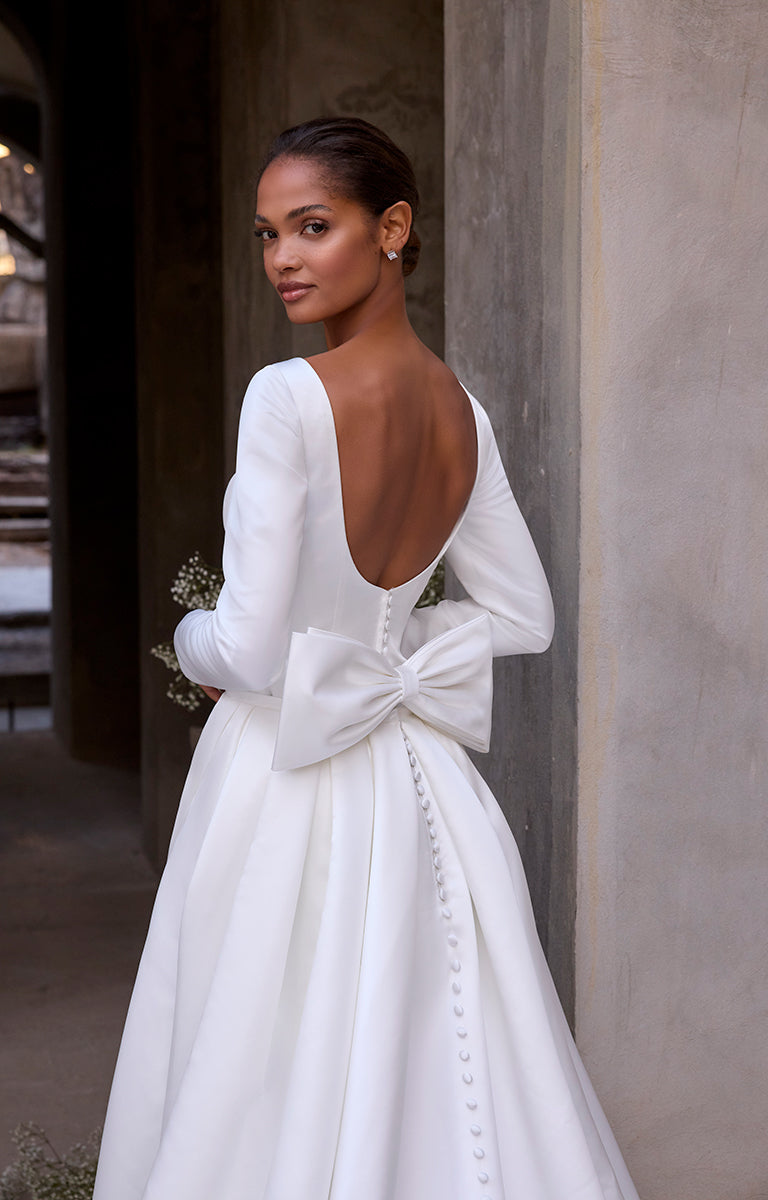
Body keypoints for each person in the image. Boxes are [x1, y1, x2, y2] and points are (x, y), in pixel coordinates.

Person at [93, 117, 638, 1200]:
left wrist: (195, 639)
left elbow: (246, 648)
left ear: (392, 229)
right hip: (412, 775)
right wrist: (389, 652)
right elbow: (524, 617)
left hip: (283, 763)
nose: (282, 259)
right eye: (266, 234)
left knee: (257, 1039)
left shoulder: (286, 395)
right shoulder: (463, 414)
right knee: (431, 1041)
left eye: (312, 226)